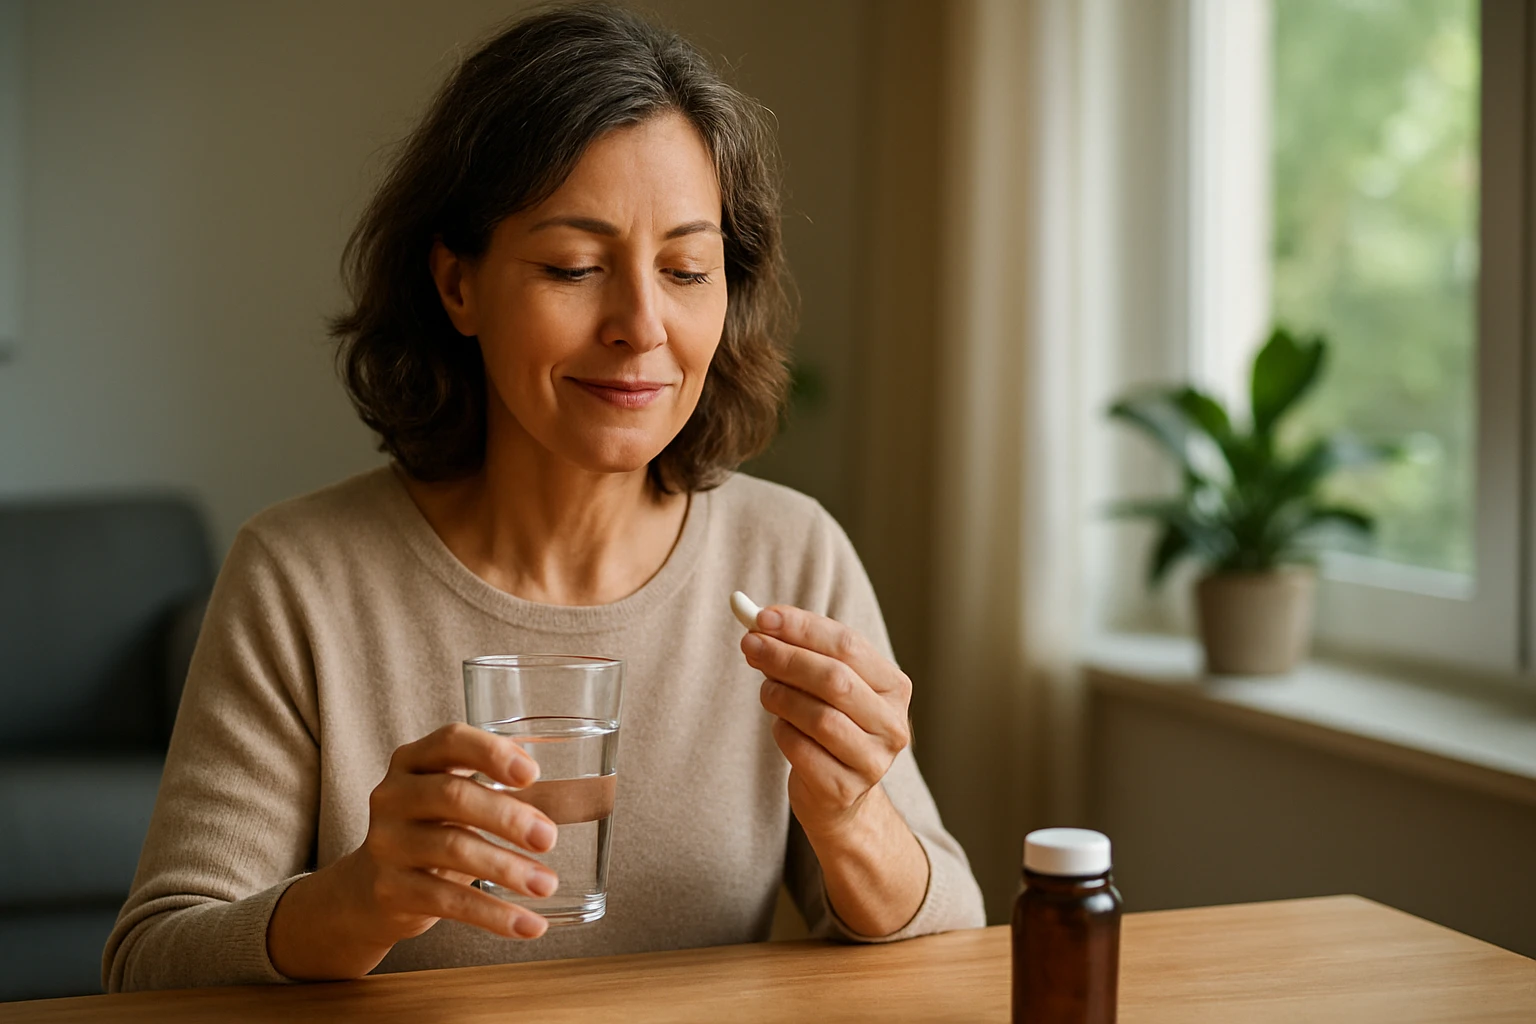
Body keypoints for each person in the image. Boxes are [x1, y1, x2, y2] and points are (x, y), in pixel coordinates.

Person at [104, 1, 985, 992]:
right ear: (457, 285)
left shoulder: (790, 556)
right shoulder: (300, 578)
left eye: (688, 269)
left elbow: (953, 932)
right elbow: (149, 971)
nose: (642, 325)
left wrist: (854, 818)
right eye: (574, 266)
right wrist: (359, 898)